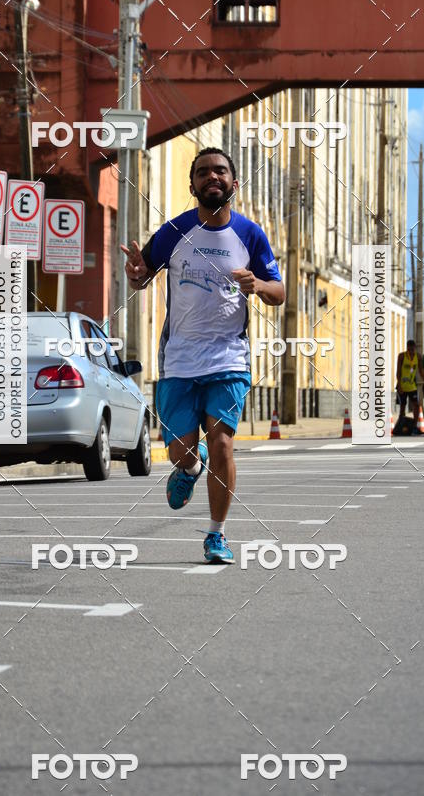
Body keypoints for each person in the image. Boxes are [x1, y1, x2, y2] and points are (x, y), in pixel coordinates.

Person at [121, 148, 286, 563]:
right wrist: (137, 274)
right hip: (179, 359)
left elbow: (279, 293)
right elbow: (143, 278)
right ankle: (191, 470)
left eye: (220, 171)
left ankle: (217, 534)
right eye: (203, 172)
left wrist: (258, 286)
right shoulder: (174, 231)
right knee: (181, 450)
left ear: (233, 182)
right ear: (192, 184)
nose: (212, 177)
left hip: (229, 359)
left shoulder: (250, 235)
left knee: (224, 442)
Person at [395, 339, 424, 430]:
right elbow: (398, 371)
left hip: (412, 386)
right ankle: (401, 425)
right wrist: (399, 385)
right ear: (407, 348)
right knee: (402, 407)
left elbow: (421, 370)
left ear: (415, 348)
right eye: (409, 349)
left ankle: (415, 426)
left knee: (416, 405)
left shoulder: (418, 357)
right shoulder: (402, 356)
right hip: (402, 386)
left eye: (413, 349)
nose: (411, 351)